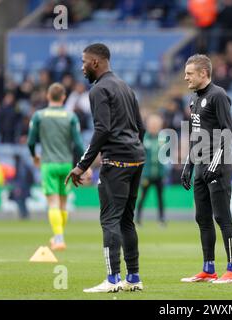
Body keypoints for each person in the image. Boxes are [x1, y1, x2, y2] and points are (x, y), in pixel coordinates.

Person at [65, 43, 146, 293]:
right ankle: (133, 278)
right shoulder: (125, 86)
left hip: (117, 162)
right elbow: (140, 127)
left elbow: (103, 130)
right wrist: (132, 149)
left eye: (84, 62)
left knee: (110, 220)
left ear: (96, 63)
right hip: (136, 159)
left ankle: (112, 280)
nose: (82, 67)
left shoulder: (99, 90)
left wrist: (81, 165)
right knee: (126, 221)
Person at [180, 54, 232, 284]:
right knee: (202, 217)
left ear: (203, 73)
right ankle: (208, 268)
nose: (185, 77)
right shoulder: (194, 99)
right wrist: (188, 164)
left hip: (219, 164)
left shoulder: (218, 96)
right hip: (201, 165)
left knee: (222, 217)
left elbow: (227, 132)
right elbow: (196, 137)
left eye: (189, 73)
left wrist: (214, 165)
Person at [27, 83, 85, 250]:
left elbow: (31, 141)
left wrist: (34, 156)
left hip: (49, 163)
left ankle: (59, 238)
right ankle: (58, 236)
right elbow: (79, 143)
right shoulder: (71, 116)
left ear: (48, 96)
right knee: (63, 204)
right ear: (64, 97)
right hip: (66, 165)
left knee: (52, 203)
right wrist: (83, 163)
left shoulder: (39, 115)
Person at [135, 114, 166, 226]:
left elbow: (166, 156)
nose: (154, 126)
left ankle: (161, 219)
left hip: (159, 173)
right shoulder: (144, 137)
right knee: (142, 197)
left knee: (160, 198)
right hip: (147, 174)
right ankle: (137, 219)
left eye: (156, 124)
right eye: (152, 124)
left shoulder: (163, 138)